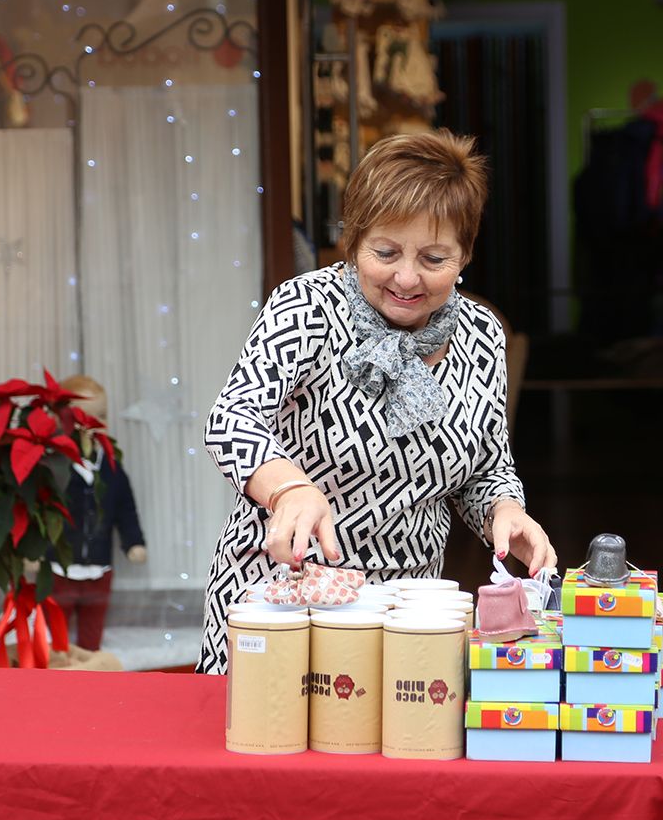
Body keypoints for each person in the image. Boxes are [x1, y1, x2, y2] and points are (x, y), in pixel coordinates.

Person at [197, 130, 556, 673]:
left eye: (434, 258)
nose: (407, 277)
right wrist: (289, 487)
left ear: (465, 256)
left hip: (407, 614)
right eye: (385, 252)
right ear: (354, 241)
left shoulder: (483, 336)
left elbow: (484, 467)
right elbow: (232, 419)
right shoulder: (306, 309)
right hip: (282, 600)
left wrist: (506, 510)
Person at [50, 374, 147, 651]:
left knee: (92, 630)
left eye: (101, 415)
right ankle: (54, 668)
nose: (95, 424)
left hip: (98, 566)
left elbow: (125, 508)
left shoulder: (111, 467)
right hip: (59, 565)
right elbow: (41, 512)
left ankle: (90, 668)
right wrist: (31, 551)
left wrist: (134, 542)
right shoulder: (54, 466)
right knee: (53, 628)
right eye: (84, 416)